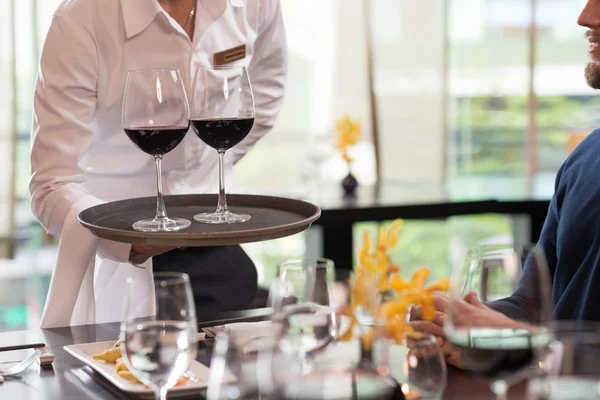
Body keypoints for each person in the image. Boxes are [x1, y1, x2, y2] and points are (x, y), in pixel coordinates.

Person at [29, 0, 287, 328]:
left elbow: (266, 92)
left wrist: (213, 163)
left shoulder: (255, 5)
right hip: (120, 271)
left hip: (217, 251)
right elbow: (50, 185)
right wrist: (124, 241)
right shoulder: (81, 18)